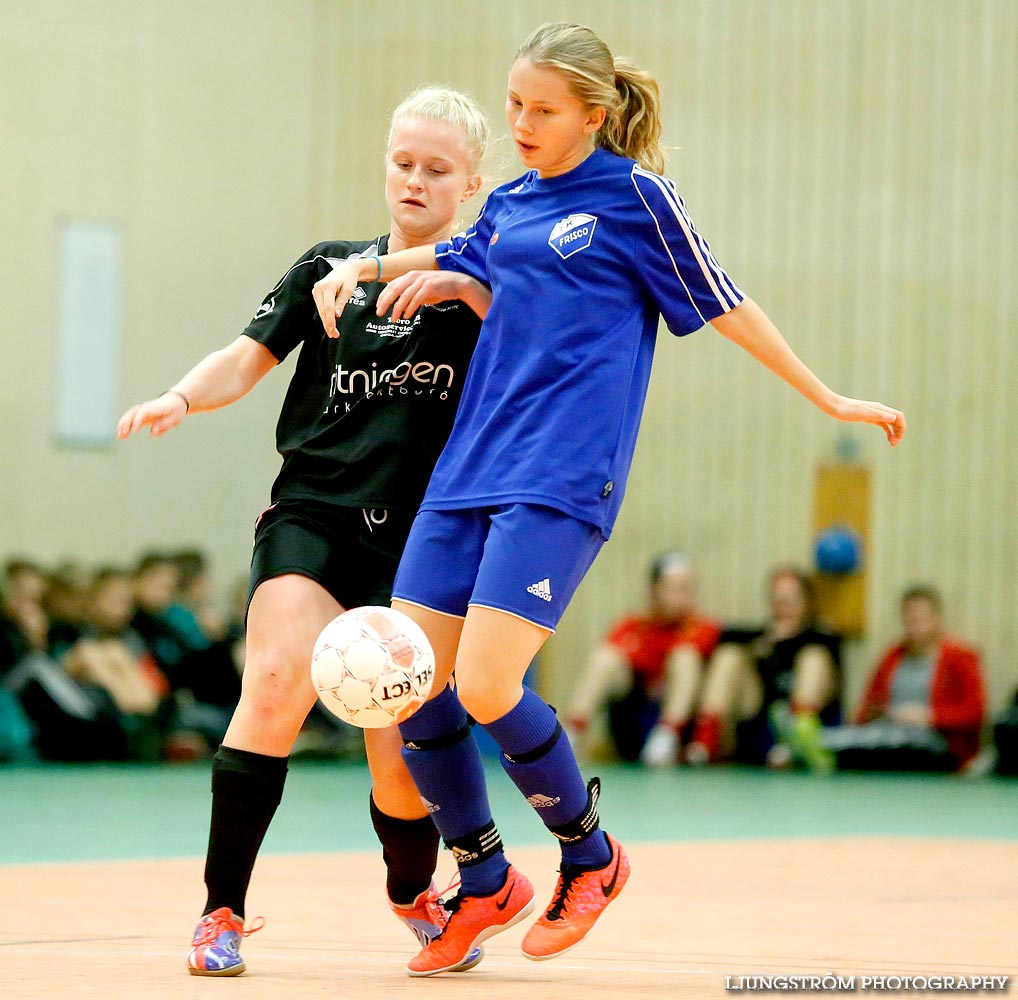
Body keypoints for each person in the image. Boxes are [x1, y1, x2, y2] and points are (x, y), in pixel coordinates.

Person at [310, 22, 906, 977]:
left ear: (594, 113)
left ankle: (591, 857)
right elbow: (458, 251)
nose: (522, 123)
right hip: (467, 471)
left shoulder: (635, 198)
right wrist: (363, 269)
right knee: (415, 683)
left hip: (561, 474)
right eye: (514, 106)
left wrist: (826, 395)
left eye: (542, 110)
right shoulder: (506, 203)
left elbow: (726, 300)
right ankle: (486, 879)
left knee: (489, 686)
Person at [117, 87, 492, 977]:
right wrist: (179, 395)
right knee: (277, 680)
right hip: (313, 516)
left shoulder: (487, 294)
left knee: (393, 747)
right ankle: (220, 912)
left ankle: (412, 893)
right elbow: (243, 359)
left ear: (472, 184)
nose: (414, 179)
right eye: (403, 161)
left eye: (437, 169)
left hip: (420, 540)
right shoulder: (329, 267)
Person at [565, 552, 722, 765]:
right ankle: (572, 734)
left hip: (683, 730)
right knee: (606, 657)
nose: (681, 597)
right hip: (633, 717)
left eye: (687, 588)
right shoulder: (631, 626)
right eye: (674, 589)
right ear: (654, 590)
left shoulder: (705, 628)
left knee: (685, 658)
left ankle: (667, 737)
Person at [814, 586, 986, 773]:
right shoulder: (892, 657)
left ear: (937, 619)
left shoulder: (960, 657)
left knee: (892, 750)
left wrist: (928, 716)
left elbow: (974, 713)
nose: (914, 627)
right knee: (841, 739)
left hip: (934, 741)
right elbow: (867, 706)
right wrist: (870, 716)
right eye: (909, 619)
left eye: (921, 620)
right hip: (885, 731)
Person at [686, 567, 843, 769]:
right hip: (759, 718)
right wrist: (765, 645)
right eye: (778, 601)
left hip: (806, 722)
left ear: (806, 602)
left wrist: (785, 641)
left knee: (813, 658)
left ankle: (796, 739)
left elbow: (833, 680)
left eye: (792, 601)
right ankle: (705, 741)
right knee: (729, 656)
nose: (785, 608)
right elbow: (725, 638)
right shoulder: (761, 638)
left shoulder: (821, 637)